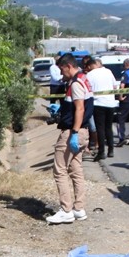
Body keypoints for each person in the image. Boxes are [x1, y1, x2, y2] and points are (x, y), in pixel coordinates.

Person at [46, 53, 93, 224]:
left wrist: (73, 132)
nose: (61, 74)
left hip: (72, 132)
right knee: (76, 169)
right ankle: (79, 209)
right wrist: (61, 111)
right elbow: (75, 107)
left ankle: (66, 210)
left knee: (59, 169)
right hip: (82, 131)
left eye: (61, 70)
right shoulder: (83, 79)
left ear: (68, 66)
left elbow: (80, 109)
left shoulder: (75, 83)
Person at [84, 55, 119, 161]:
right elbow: (114, 86)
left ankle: (102, 151)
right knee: (108, 127)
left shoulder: (89, 75)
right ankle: (111, 150)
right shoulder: (108, 71)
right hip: (110, 103)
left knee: (100, 128)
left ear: (90, 66)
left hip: (98, 103)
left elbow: (87, 90)